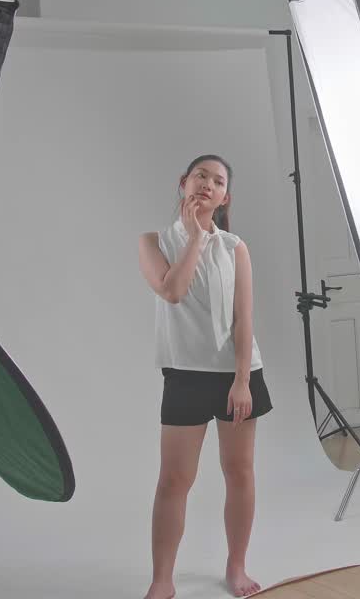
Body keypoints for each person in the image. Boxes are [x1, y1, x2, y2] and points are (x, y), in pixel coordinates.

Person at [137, 154, 273, 599]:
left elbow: (244, 317)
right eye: (201, 176)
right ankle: (162, 580)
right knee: (173, 480)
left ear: (224, 196)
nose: (207, 185)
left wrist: (240, 380)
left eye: (217, 181)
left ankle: (236, 568)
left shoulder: (236, 247)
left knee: (240, 471)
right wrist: (195, 236)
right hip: (184, 375)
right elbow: (172, 291)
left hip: (236, 374)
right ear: (184, 183)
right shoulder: (153, 242)